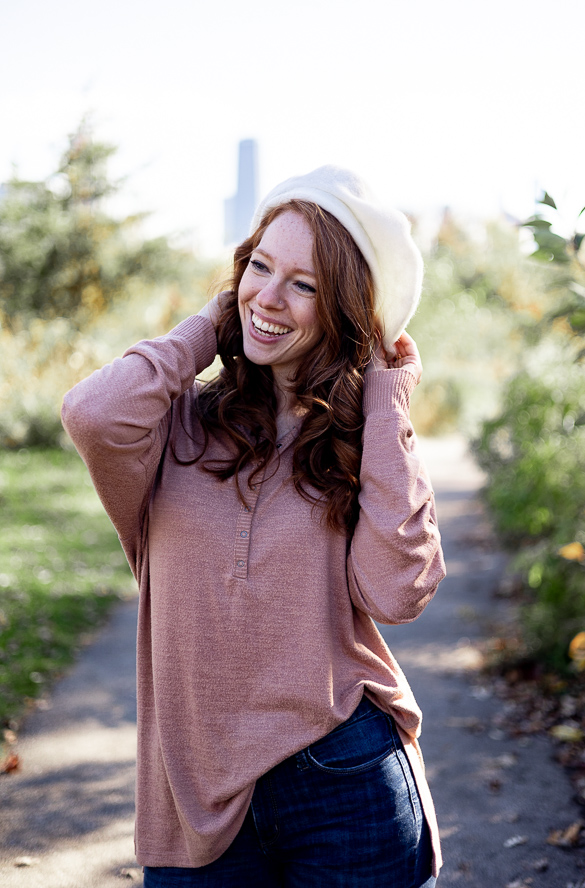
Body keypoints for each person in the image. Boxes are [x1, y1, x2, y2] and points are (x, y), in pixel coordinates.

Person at [62, 165, 446, 887]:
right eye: (259, 267)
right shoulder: (174, 426)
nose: (268, 297)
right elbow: (90, 412)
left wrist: (388, 408)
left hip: (345, 774)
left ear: (344, 310)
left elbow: (399, 593)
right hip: (194, 804)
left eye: (303, 284)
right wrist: (211, 324)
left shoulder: (363, 445)